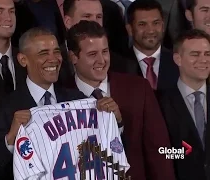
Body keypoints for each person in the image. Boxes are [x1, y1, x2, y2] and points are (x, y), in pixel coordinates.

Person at [65, 20, 176, 180]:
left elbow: (159, 150)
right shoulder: (60, 98)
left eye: (105, 51)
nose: (102, 60)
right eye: (92, 54)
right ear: (73, 57)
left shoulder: (138, 89)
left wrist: (119, 124)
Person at [0, 27, 87, 179]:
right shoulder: (5, 108)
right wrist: (11, 138)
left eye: (56, 51)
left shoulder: (77, 100)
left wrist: (117, 122)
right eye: (44, 53)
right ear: (22, 60)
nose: (53, 59)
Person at [157, 29, 210, 180]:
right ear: (177, 59)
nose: (204, 59)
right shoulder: (159, 103)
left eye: (207, 54)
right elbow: (160, 152)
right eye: (195, 54)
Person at [125, 0, 179, 91]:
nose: (150, 30)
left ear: (162, 26)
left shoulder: (178, 62)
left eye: (156, 23)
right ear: (130, 29)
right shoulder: (119, 65)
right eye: (142, 24)